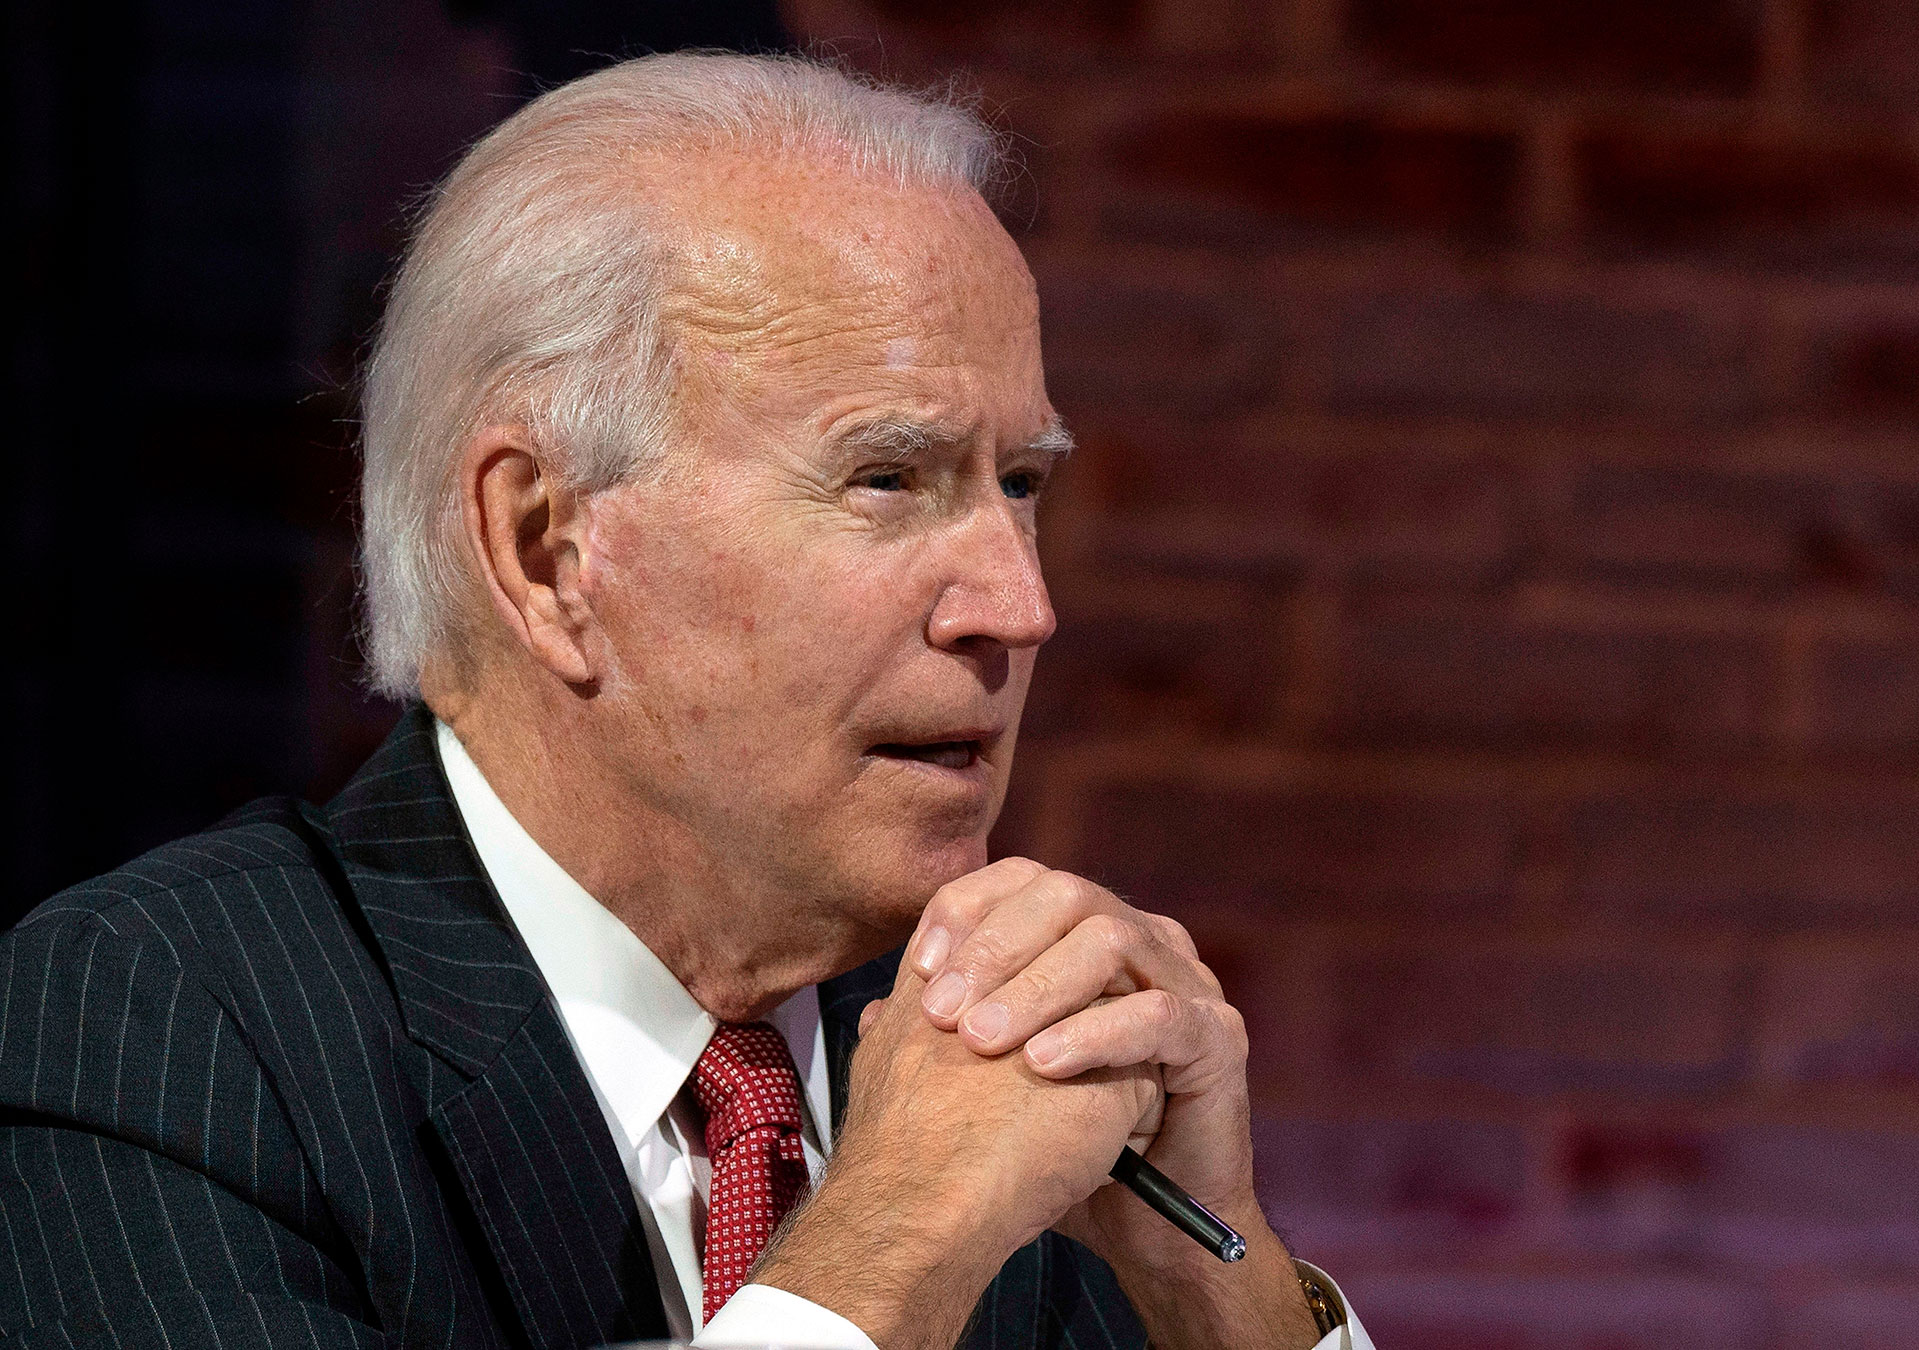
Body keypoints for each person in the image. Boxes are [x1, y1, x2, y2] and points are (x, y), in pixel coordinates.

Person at [0, 52, 1371, 1350]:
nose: (1018, 606)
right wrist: (894, 1241)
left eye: (1019, 483)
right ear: (546, 549)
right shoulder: (154, 1025)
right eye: (889, 479)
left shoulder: (1015, 1062)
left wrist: (1214, 1278)